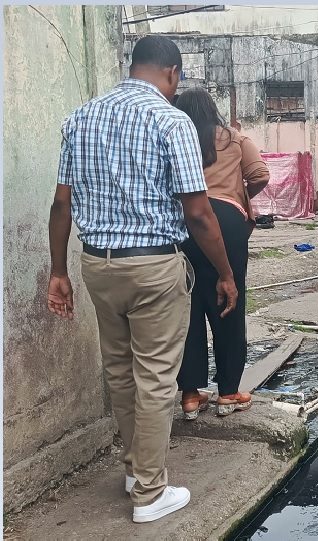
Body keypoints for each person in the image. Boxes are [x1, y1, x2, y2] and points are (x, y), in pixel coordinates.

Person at [47, 36, 237, 523]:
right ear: (173, 73)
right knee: (155, 379)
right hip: (153, 265)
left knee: (119, 371)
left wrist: (58, 271)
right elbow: (198, 213)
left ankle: (136, 470)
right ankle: (150, 495)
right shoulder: (171, 120)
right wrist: (225, 273)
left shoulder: (80, 118)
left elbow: (62, 204)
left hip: (97, 264)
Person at [174, 88, 270, 419]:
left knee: (186, 305)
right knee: (230, 300)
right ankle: (228, 392)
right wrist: (237, 198)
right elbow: (260, 175)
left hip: (184, 219)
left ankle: (189, 394)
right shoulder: (235, 139)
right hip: (226, 223)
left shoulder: (174, 137)